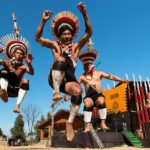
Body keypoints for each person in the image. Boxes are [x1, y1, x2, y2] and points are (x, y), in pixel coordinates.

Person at [35, 2, 92, 141]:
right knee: (60, 59)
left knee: (78, 92)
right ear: (60, 35)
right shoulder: (55, 45)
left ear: (72, 35)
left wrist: (84, 14)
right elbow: (37, 38)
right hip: (55, 77)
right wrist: (43, 20)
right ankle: (55, 93)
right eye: (64, 33)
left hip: (68, 80)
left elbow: (89, 32)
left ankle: (70, 122)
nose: (67, 35)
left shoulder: (76, 47)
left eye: (69, 33)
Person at [78, 40, 129, 133]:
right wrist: (69, 94)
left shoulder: (99, 73)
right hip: (89, 96)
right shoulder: (82, 76)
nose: (88, 66)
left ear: (92, 65)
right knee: (87, 103)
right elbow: (75, 86)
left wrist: (122, 80)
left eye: (89, 64)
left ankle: (103, 123)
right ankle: (88, 125)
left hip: (98, 94)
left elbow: (111, 76)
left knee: (101, 101)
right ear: (84, 66)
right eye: (86, 65)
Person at [0, 13, 34, 113]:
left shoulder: (23, 66)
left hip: (15, 90)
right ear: (13, 54)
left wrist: (29, 64)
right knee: (4, 71)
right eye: (17, 53)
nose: (19, 54)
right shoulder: (7, 62)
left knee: (26, 80)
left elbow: (32, 73)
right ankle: (3, 91)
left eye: (21, 53)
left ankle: (17, 106)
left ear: (23, 56)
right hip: (4, 86)